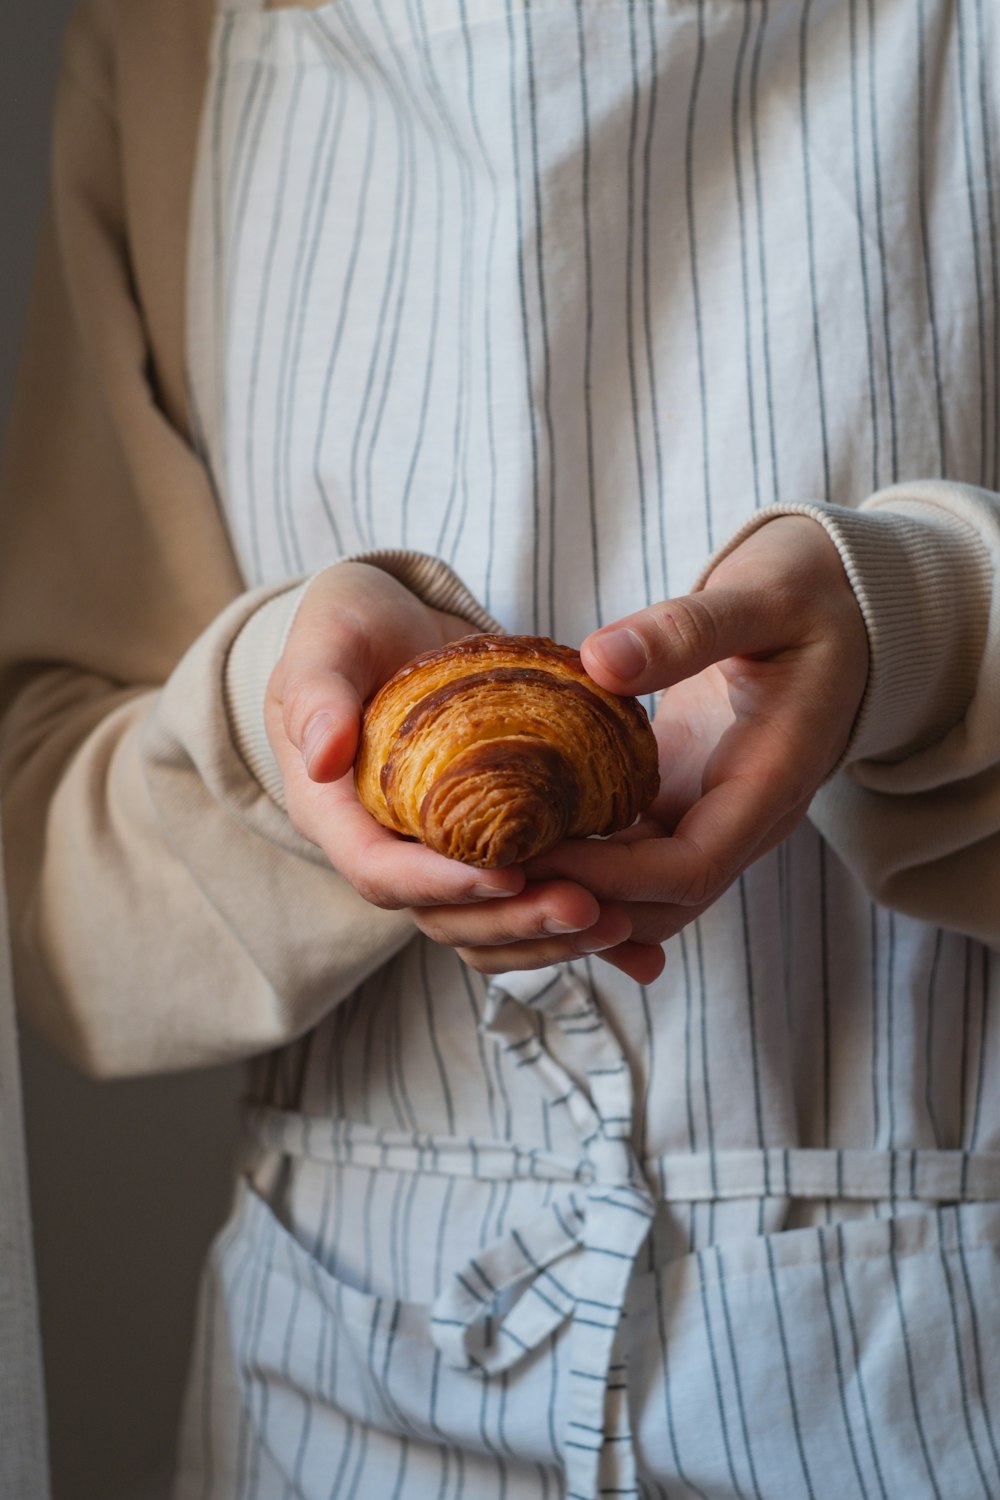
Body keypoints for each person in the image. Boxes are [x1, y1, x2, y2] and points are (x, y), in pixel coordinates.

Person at [1, 0, 999, 1495]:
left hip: (946, 1379)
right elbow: (48, 869)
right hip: (334, 1390)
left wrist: (922, 633)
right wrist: (287, 720)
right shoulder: (169, 37)